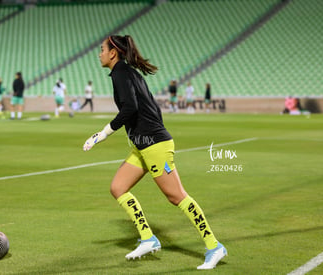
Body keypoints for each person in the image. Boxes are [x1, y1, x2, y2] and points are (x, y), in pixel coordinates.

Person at [83, 35, 227, 270]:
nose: (99, 53)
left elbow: (130, 108)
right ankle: (148, 238)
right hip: (143, 145)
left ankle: (214, 246)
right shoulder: (129, 73)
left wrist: (102, 134)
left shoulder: (121, 73)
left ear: (113, 53)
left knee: (177, 196)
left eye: (102, 49)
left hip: (154, 145)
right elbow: (152, 107)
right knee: (118, 188)